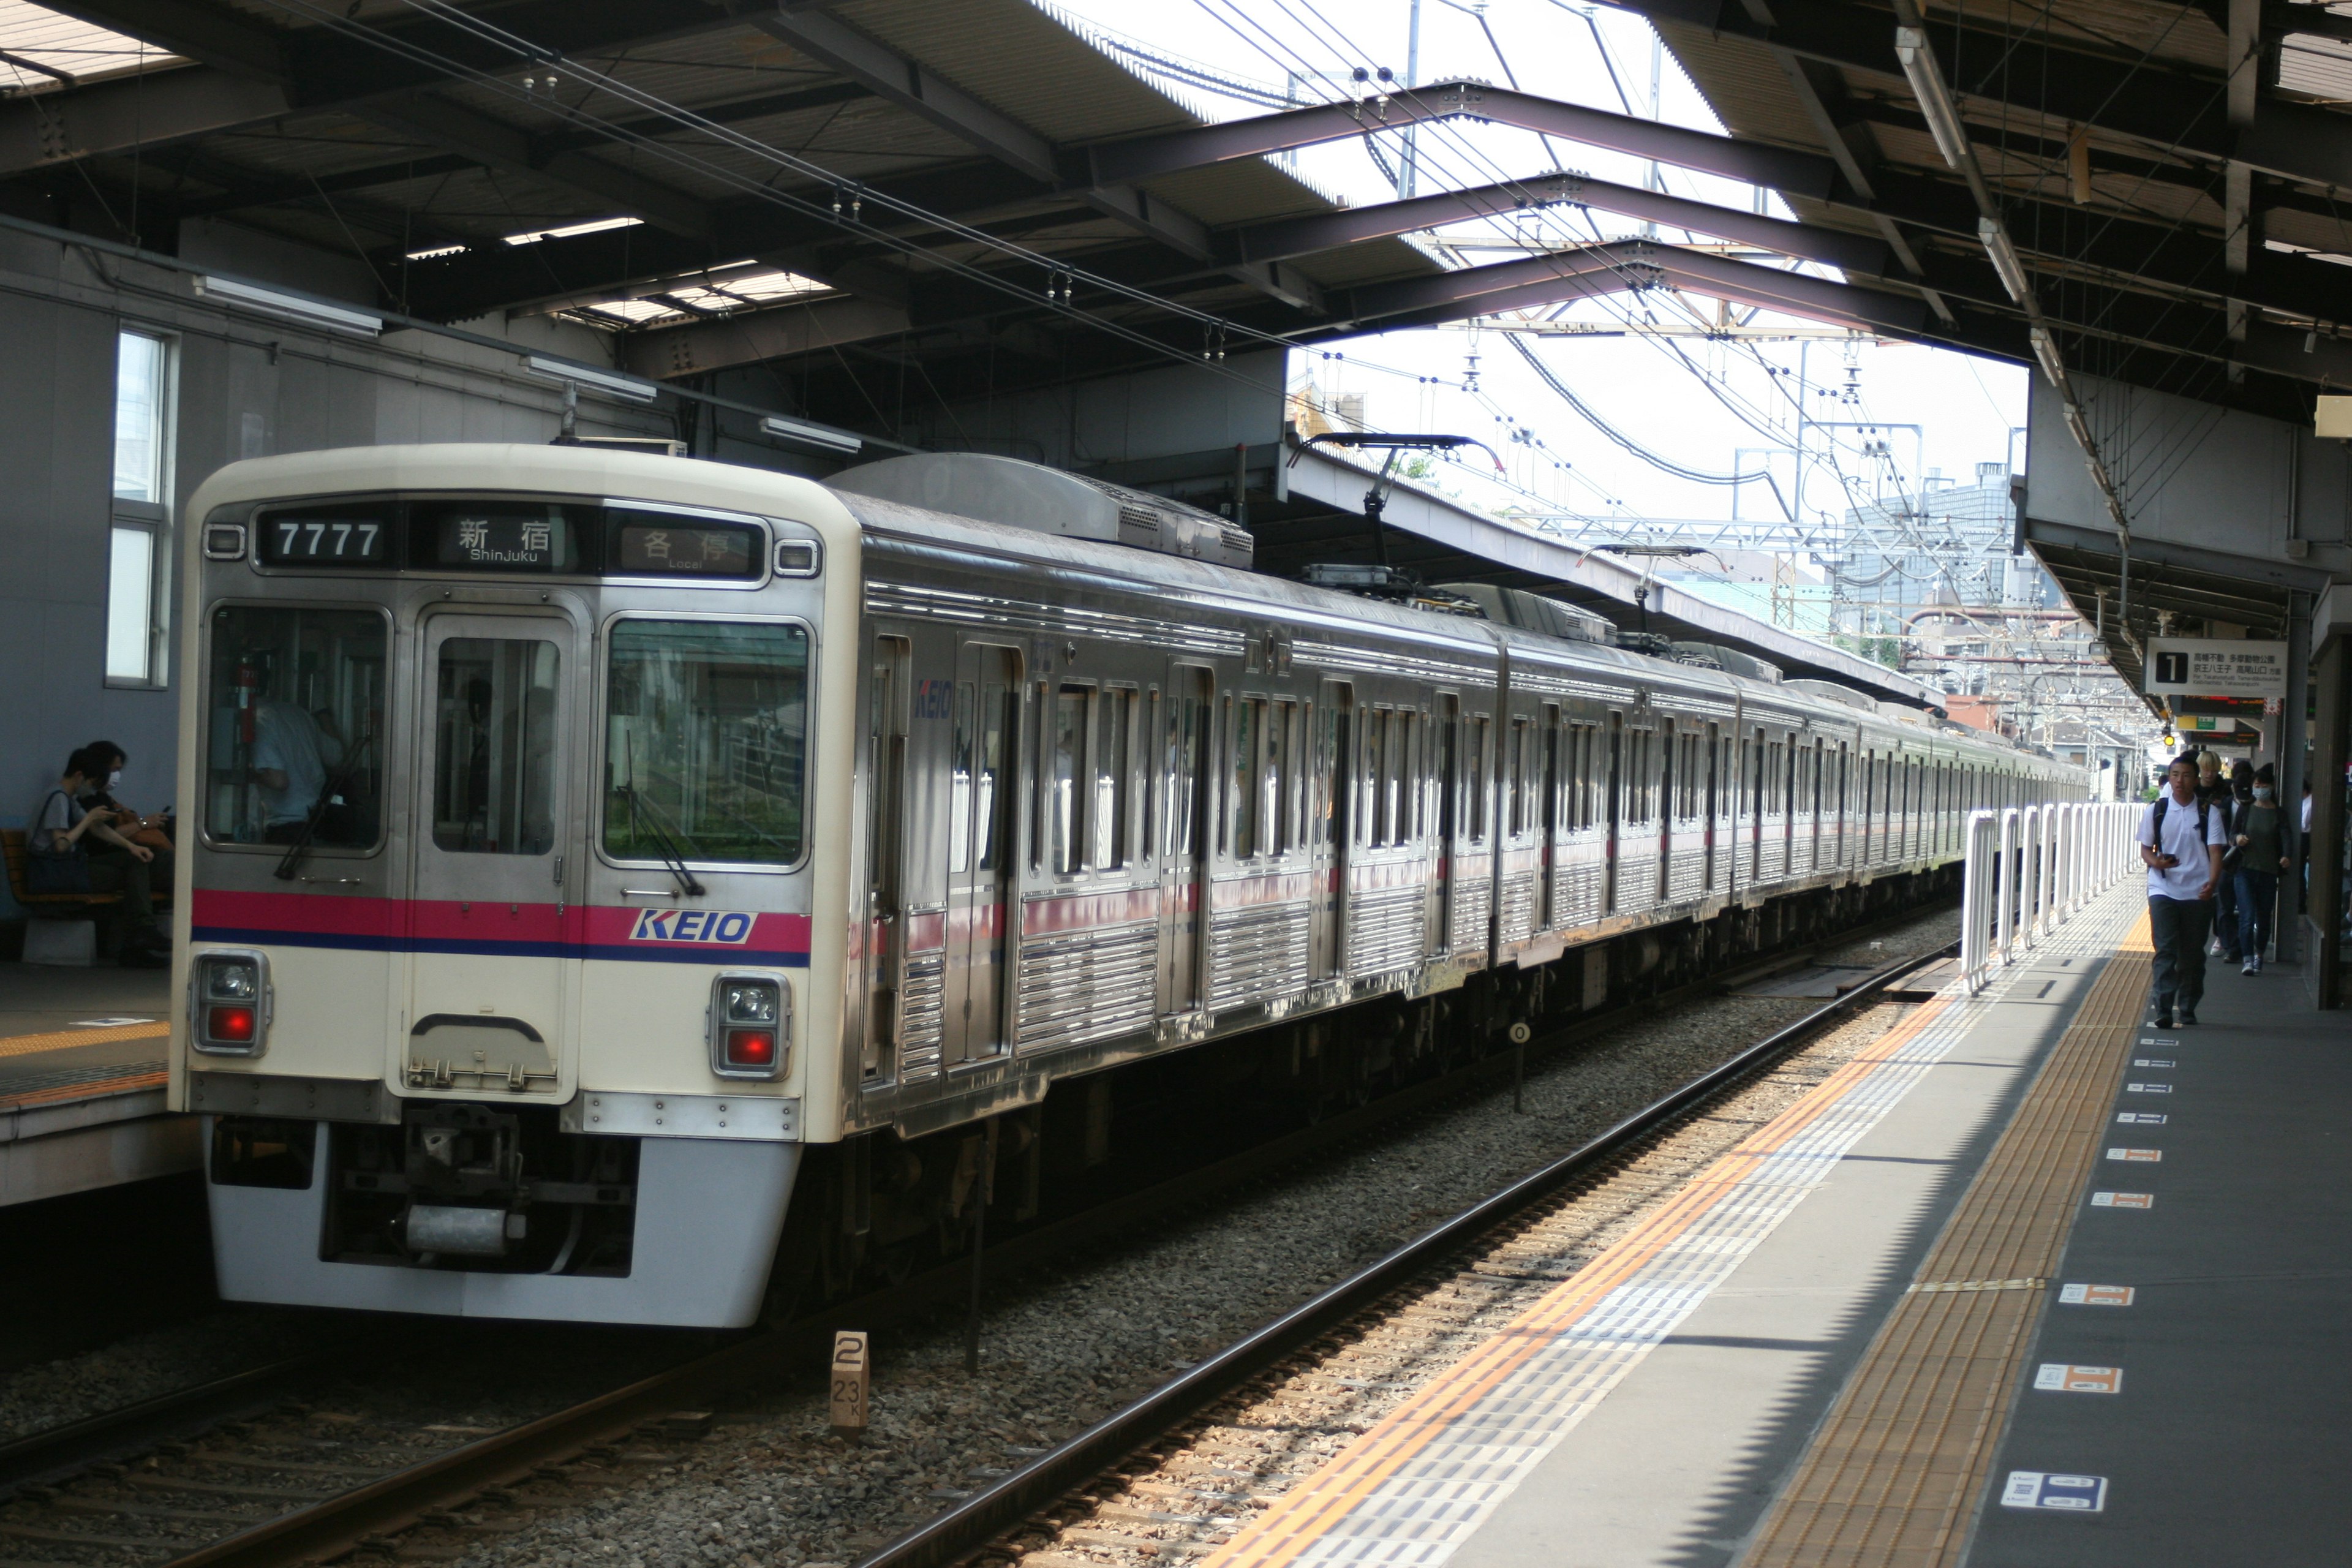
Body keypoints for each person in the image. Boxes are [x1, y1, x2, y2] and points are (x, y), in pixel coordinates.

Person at [27, 745, 168, 964]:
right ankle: (138, 938)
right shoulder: (57, 799)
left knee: (134, 861)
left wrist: (131, 847)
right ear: (79, 776)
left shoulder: (68, 798)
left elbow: (99, 829)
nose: (92, 789)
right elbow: (61, 846)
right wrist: (87, 819)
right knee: (131, 878)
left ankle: (142, 933)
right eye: (92, 782)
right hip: (54, 873)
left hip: (67, 868)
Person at [2139, 754, 2228, 1027]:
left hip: (2197, 892)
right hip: (2162, 888)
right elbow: (2145, 848)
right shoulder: (2157, 810)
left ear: (2196, 779)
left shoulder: (2208, 812)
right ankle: (2164, 1009)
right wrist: (2155, 862)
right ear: (2170, 778)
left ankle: (2188, 1006)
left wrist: (2211, 884)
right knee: (2165, 950)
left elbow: (2216, 852)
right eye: (2175, 775)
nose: (2180, 780)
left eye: (2187, 775)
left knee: (2191, 955)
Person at [2231, 764, 2290, 974]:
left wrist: (2285, 857)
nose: (2260, 789)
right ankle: (2247, 960)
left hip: (2268, 872)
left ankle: (2259, 956)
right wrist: (2238, 838)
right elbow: (2233, 834)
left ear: (2272, 787)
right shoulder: (2246, 809)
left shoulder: (2279, 814)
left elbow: (2286, 839)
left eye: (2264, 785)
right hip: (2245, 870)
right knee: (2247, 917)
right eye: (2257, 785)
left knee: (2263, 919)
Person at [249, 700, 327, 842]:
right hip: (316, 821)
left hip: (284, 830)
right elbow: (337, 756)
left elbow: (278, 781)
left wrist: (247, 772)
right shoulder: (301, 714)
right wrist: (323, 712)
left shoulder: (258, 720)